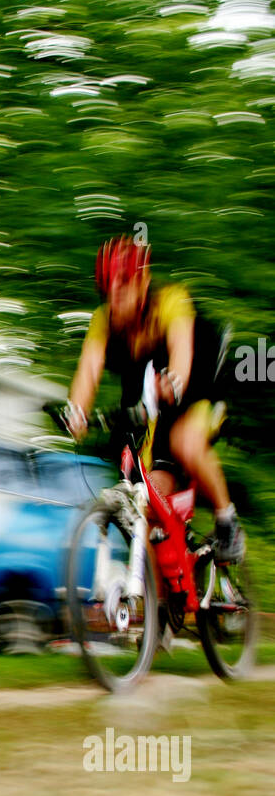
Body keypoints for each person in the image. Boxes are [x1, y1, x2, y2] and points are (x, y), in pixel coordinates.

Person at [66, 234, 244, 563]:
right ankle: (158, 607)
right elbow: (88, 372)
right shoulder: (103, 321)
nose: (115, 299)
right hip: (154, 399)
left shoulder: (171, 300)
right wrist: (76, 412)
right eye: (108, 291)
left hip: (200, 381)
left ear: (143, 281)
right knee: (147, 499)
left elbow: (181, 356)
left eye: (124, 287)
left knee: (185, 442)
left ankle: (226, 519)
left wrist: (173, 382)